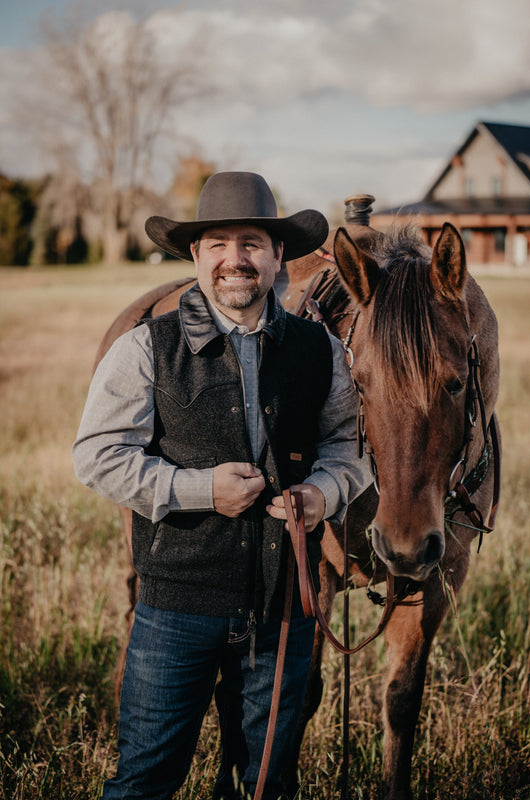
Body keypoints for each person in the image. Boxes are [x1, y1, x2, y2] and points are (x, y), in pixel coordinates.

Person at [72, 171, 372, 800]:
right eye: (218, 244)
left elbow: (349, 449)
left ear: (278, 255)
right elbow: (98, 456)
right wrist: (201, 490)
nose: (235, 260)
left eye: (252, 243)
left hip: (283, 612)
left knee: (265, 784)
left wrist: (323, 492)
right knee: (144, 781)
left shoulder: (320, 353)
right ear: (196, 255)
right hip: (175, 609)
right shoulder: (145, 349)